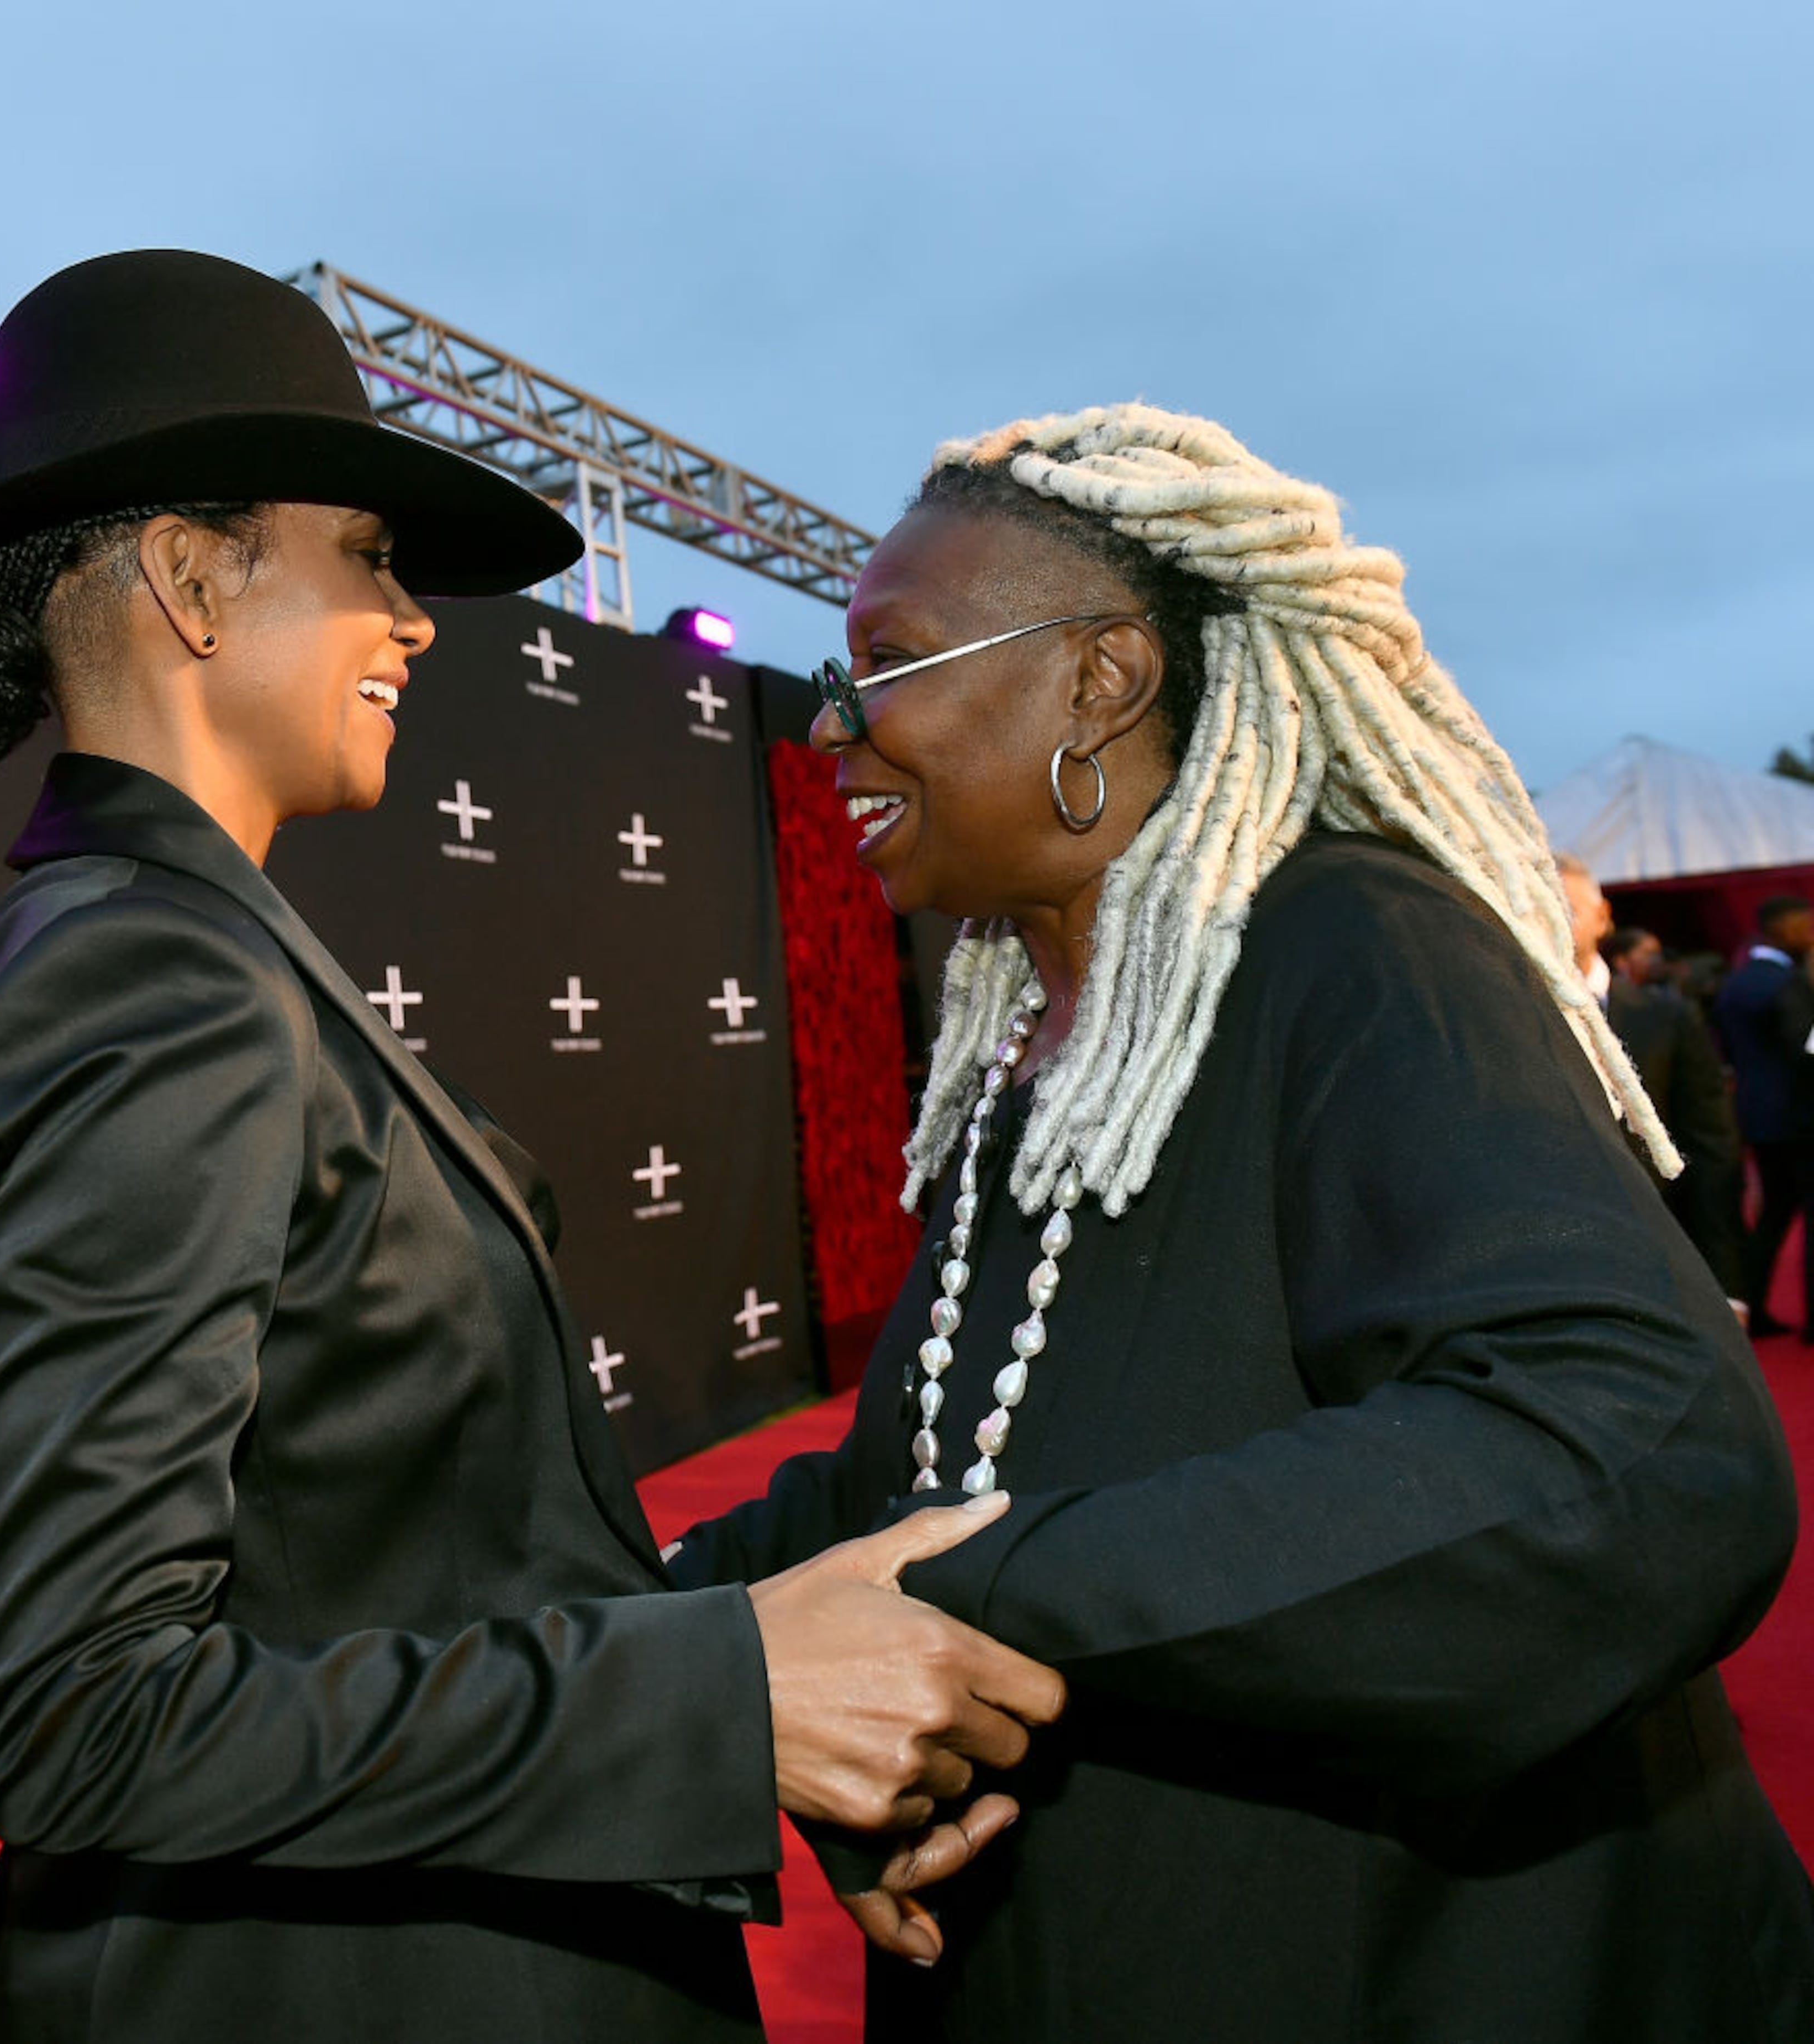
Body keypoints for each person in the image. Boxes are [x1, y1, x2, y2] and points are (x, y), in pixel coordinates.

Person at [0, 249, 1064, 2044]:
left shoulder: (187, 949)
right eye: (368, 554)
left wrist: (756, 1675)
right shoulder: (151, 979)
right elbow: (86, 1718)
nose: (419, 619)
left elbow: (407, 1561)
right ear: (192, 578)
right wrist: (721, 1702)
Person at [668, 406, 1814, 2041]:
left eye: (887, 664)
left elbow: (1632, 1451)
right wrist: (643, 1645)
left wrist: (978, 1593)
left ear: (1100, 679)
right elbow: (926, 1469)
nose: (833, 729)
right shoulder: (1047, 1043)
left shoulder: (1353, 946)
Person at [1556, 853, 1746, 1308]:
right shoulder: (1501, 1015)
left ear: (1602, 918)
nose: (1547, 921)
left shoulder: (1667, 1016)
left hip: (1663, 1257)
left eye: (1566, 909)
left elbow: (1709, 1146)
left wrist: (1727, 1286)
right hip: (1558, 1268)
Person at [1714, 896, 1814, 1338]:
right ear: (1782, 929)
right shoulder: (1788, 983)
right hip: (1799, 1120)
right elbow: (1803, 1051)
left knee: (1773, 1218)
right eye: (1806, 924)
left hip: (1757, 1116)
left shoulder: (1737, 981)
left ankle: (1752, 1307)